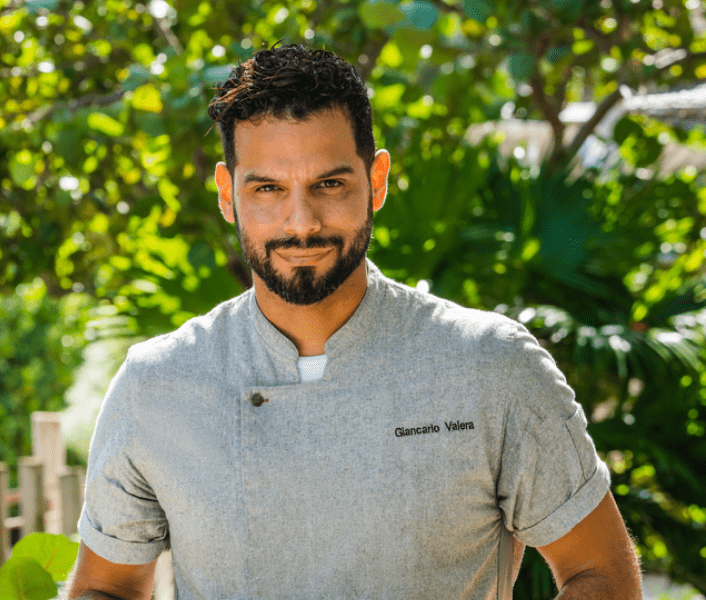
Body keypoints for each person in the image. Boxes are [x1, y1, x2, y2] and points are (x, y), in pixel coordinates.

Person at [66, 45, 642, 600]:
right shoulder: (156, 385)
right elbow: (104, 588)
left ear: (378, 181)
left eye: (330, 184)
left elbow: (601, 572)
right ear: (226, 193)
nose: (302, 222)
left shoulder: (491, 365)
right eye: (267, 188)